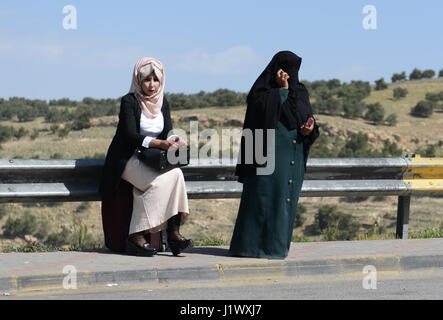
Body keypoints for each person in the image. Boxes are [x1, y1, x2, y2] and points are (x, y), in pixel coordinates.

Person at [229, 51, 319, 259]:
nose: (291, 74)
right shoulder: (262, 92)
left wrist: (309, 128)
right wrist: (281, 91)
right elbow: (263, 116)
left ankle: (277, 248)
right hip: (266, 155)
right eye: (287, 69)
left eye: (295, 70)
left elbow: (306, 117)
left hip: (294, 156)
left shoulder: (301, 91)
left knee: (284, 202)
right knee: (262, 200)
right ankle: (248, 247)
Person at [99, 57, 193, 257]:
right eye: (147, 79)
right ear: (138, 80)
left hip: (150, 157)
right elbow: (129, 135)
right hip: (127, 158)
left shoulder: (162, 102)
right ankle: (136, 235)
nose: (152, 85)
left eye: (156, 79)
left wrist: (175, 139)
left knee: (177, 175)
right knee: (156, 184)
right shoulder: (129, 101)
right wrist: (159, 143)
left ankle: (174, 234)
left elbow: (167, 131)